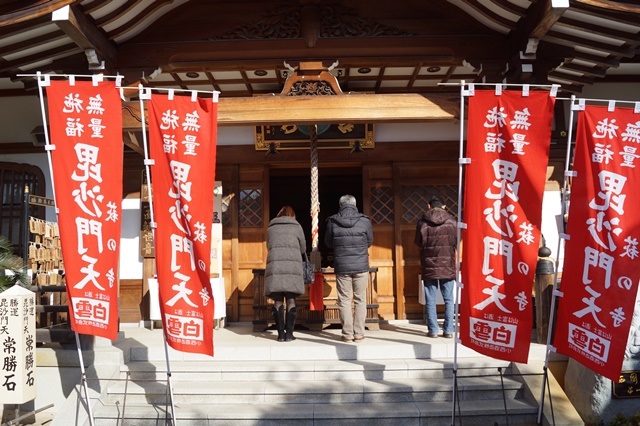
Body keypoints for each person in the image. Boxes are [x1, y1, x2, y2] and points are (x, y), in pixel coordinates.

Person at [325, 194, 374, 343]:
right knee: (360, 300)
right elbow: (370, 241)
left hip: (342, 266)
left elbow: (328, 243)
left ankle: (347, 334)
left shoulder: (333, 221)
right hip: (361, 265)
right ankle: (358, 333)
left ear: (340, 205)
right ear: (355, 204)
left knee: (344, 300)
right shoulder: (364, 221)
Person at [414, 195, 457, 339]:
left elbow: (418, 242)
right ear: (444, 206)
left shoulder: (422, 222)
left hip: (429, 265)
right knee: (449, 299)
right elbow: (456, 242)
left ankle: (433, 331)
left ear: (428, 206)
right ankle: (448, 330)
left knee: (430, 299)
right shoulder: (452, 221)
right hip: (447, 265)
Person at [264, 205, 307, 342]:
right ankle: (289, 334)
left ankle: (280, 335)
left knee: (277, 301)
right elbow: (303, 248)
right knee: (291, 300)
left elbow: (268, 246)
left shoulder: (271, 228)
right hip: (292, 267)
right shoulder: (297, 227)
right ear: (292, 215)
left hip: (275, 267)